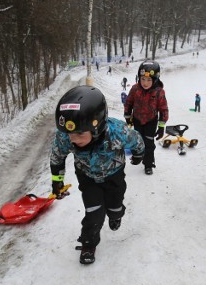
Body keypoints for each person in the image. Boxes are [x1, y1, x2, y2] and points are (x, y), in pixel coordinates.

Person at [50, 86, 145, 264]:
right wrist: (57, 181)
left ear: (97, 126)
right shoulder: (65, 137)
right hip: (87, 177)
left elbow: (136, 139)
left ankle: (116, 215)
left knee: (114, 207)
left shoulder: (117, 132)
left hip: (114, 175)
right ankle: (88, 244)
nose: (73, 139)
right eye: (70, 133)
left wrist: (139, 153)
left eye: (79, 134)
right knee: (94, 213)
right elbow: (57, 157)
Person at [124, 61, 169, 175]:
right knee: (138, 141)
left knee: (149, 143)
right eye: (143, 79)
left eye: (149, 80)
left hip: (151, 121)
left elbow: (163, 109)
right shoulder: (135, 89)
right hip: (137, 120)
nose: (145, 82)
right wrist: (128, 117)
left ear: (155, 79)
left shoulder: (159, 92)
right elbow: (128, 103)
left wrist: (161, 126)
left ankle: (148, 164)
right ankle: (137, 156)